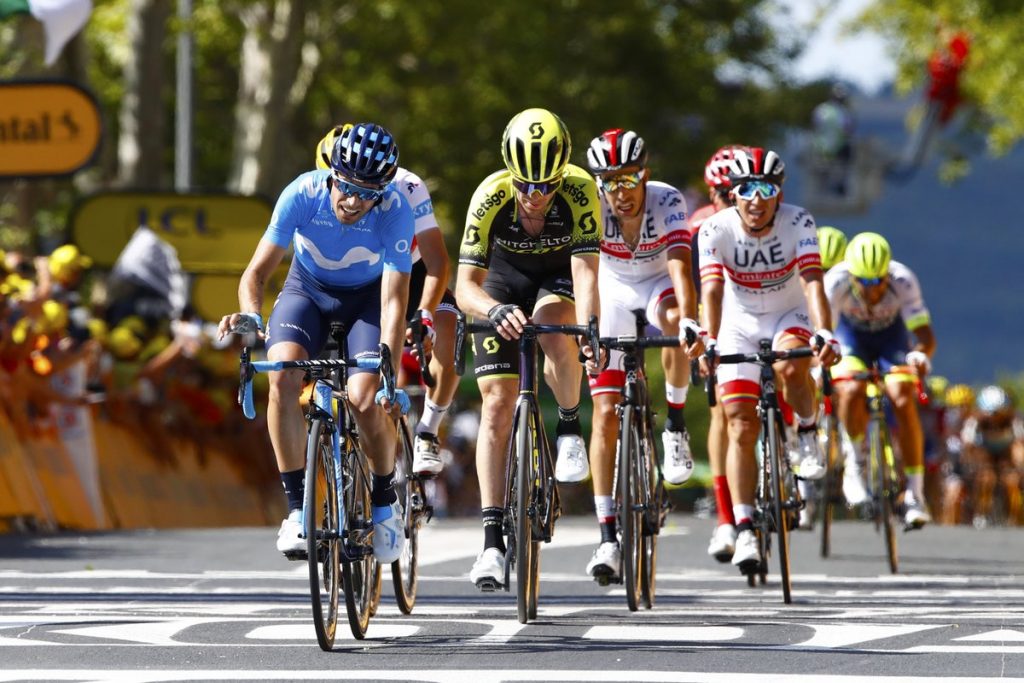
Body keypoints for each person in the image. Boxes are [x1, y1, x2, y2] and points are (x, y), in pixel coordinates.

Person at [217, 122, 413, 564]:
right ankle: (296, 510)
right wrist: (251, 312)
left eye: (367, 193)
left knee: (365, 400)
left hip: (367, 300)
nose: (352, 201)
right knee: (283, 377)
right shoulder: (301, 195)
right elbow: (257, 274)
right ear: (331, 175)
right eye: (345, 186)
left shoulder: (396, 210)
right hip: (307, 291)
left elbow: (395, 299)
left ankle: (383, 504)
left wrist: (389, 366)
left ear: (383, 190)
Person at [456, 108, 601, 590]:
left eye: (546, 185)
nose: (535, 197)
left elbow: (586, 272)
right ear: (510, 174)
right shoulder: (490, 195)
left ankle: (567, 427)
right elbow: (465, 288)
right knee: (496, 403)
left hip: (558, 276)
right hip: (502, 281)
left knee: (554, 323)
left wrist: (592, 330)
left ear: (562, 176)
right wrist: (492, 311)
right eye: (525, 185)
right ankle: (492, 542)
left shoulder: (581, 190)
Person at [698, 147, 839, 574]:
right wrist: (708, 337)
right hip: (738, 318)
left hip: (787, 312)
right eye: (745, 189)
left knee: (791, 368)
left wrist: (824, 332)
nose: (755, 199)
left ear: (779, 192)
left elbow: (814, 283)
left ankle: (808, 430)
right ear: (733, 192)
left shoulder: (799, 221)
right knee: (739, 419)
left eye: (765, 188)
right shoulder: (714, 228)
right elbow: (712, 291)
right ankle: (742, 526)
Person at [581, 128, 705, 581]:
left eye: (630, 179)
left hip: (657, 285)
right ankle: (608, 535)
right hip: (612, 290)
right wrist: (587, 331)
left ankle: (673, 422)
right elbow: (585, 274)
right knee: (605, 412)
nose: (621, 191)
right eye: (610, 181)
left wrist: (690, 319)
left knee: (674, 322)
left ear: (644, 175)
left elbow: (679, 265)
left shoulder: (667, 200)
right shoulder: (589, 205)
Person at [315, 125, 460, 477]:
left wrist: (424, 312)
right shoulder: (315, 192)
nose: (350, 199)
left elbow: (438, 262)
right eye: (341, 184)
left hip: (410, 270)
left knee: (447, 325)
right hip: (359, 281)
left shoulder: (407, 187)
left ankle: (428, 428)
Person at [825, 232, 936, 528]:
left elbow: (924, 334)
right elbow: (822, 332)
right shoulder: (835, 283)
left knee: (902, 396)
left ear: (888, 272)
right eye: (863, 281)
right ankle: (855, 462)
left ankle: (914, 492)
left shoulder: (903, 280)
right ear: (851, 274)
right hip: (850, 340)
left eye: (878, 281)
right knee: (849, 389)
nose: (872, 289)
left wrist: (921, 355)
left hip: (892, 341)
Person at [690, 145, 748, 562]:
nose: (730, 202)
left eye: (738, 192)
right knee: (721, 413)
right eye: (722, 194)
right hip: (718, 315)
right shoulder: (700, 227)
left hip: (764, 312)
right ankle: (726, 519)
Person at [959, 385, 1024, 527]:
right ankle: (981, 513)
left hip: (1005, 458)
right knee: (986, 479)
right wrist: (972, 464)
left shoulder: (1013, 420)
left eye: (999, 413)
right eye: (991, 413)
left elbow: (1019, 444)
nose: (995, 418)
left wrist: (1019, 466)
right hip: (985, 456)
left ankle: (1014, 519)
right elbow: (968, 444)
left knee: (1012, 482)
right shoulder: (976, 421)